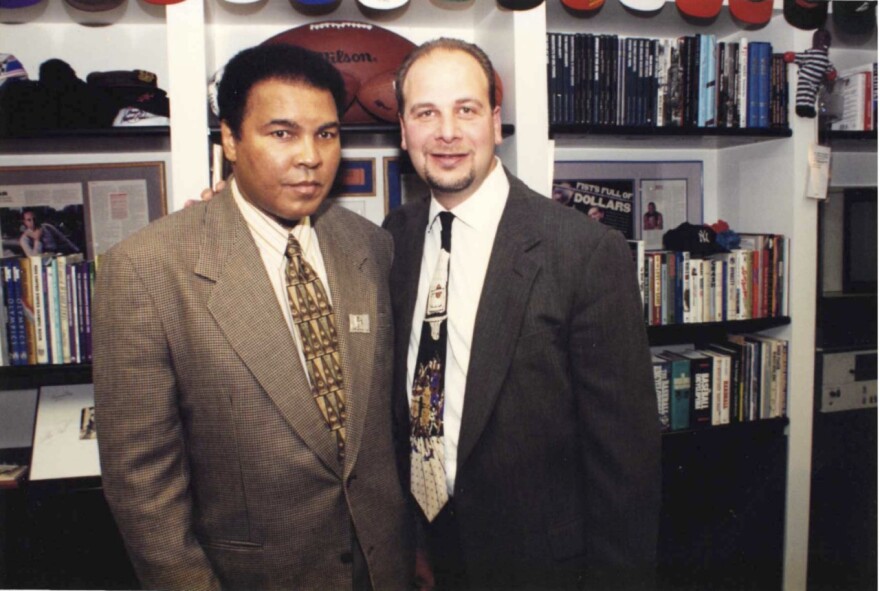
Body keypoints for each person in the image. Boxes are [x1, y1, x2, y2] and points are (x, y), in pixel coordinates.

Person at [93, 43, 414, 591]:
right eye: (282, 133)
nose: (310, 156)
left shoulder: (370, 246)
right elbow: (141, 485)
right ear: (231, 142)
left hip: (382, 568)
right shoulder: (147, 270)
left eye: (327, 134)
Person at [383, 38, 661, 590]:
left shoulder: (583, 252)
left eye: (465, 109)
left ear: (494, 120)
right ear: (403, 129)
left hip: (540, 567)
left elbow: (626, 463)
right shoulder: (396, 238)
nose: (447, 132)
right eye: (426, 113)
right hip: (426, 556)